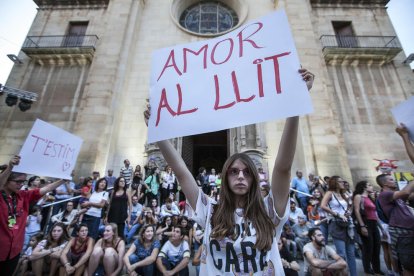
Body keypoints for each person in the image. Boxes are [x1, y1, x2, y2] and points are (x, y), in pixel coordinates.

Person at [144, 68, 315, 275]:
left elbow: (282, 168)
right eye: (234, 172)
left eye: (247, 172)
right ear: (224, 179)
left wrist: (295, 104)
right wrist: (158, 132)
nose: (241, 176)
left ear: (254, 179)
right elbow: (181, 172)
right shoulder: (210, 212)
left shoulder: (270, 212)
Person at [0, 155, 67, 275]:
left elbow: (44, 190)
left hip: (14, 250)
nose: (21, 184)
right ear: (6, 181)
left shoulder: (22, 195)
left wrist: (63, 180)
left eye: (23, 181)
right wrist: (10, 167)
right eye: (18, 181)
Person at [376, 173, 414, 275]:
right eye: (392, 180)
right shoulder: (385, 194)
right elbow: (406, 191)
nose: (395, 181)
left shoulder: (396, 196)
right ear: (385, 184)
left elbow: (410, 195)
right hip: (402, 234)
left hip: (408, 232)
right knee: (409, 265)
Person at [321, 176, 357, 276]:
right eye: (340, 181)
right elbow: (322, 205)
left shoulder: (343, 194)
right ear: (335, 183)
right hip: (336, 223)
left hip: (347, 224)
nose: (343, 183)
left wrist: (349, 211)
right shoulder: (330, 193)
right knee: (341, 254)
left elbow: (349, 206)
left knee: (351, 253)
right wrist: (337, 214)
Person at [353, 180, 384, 275]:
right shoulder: (358, 196)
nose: (371, 187)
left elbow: (374, 213)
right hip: (365, 223)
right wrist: (362, 225)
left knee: (377, 247)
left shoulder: (370, 197)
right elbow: (357, 211)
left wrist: (382, 228)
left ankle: (377, 269)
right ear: (364, 187)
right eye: (369, 185)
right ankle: (367, 269)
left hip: (374, 223)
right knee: (368, 248)